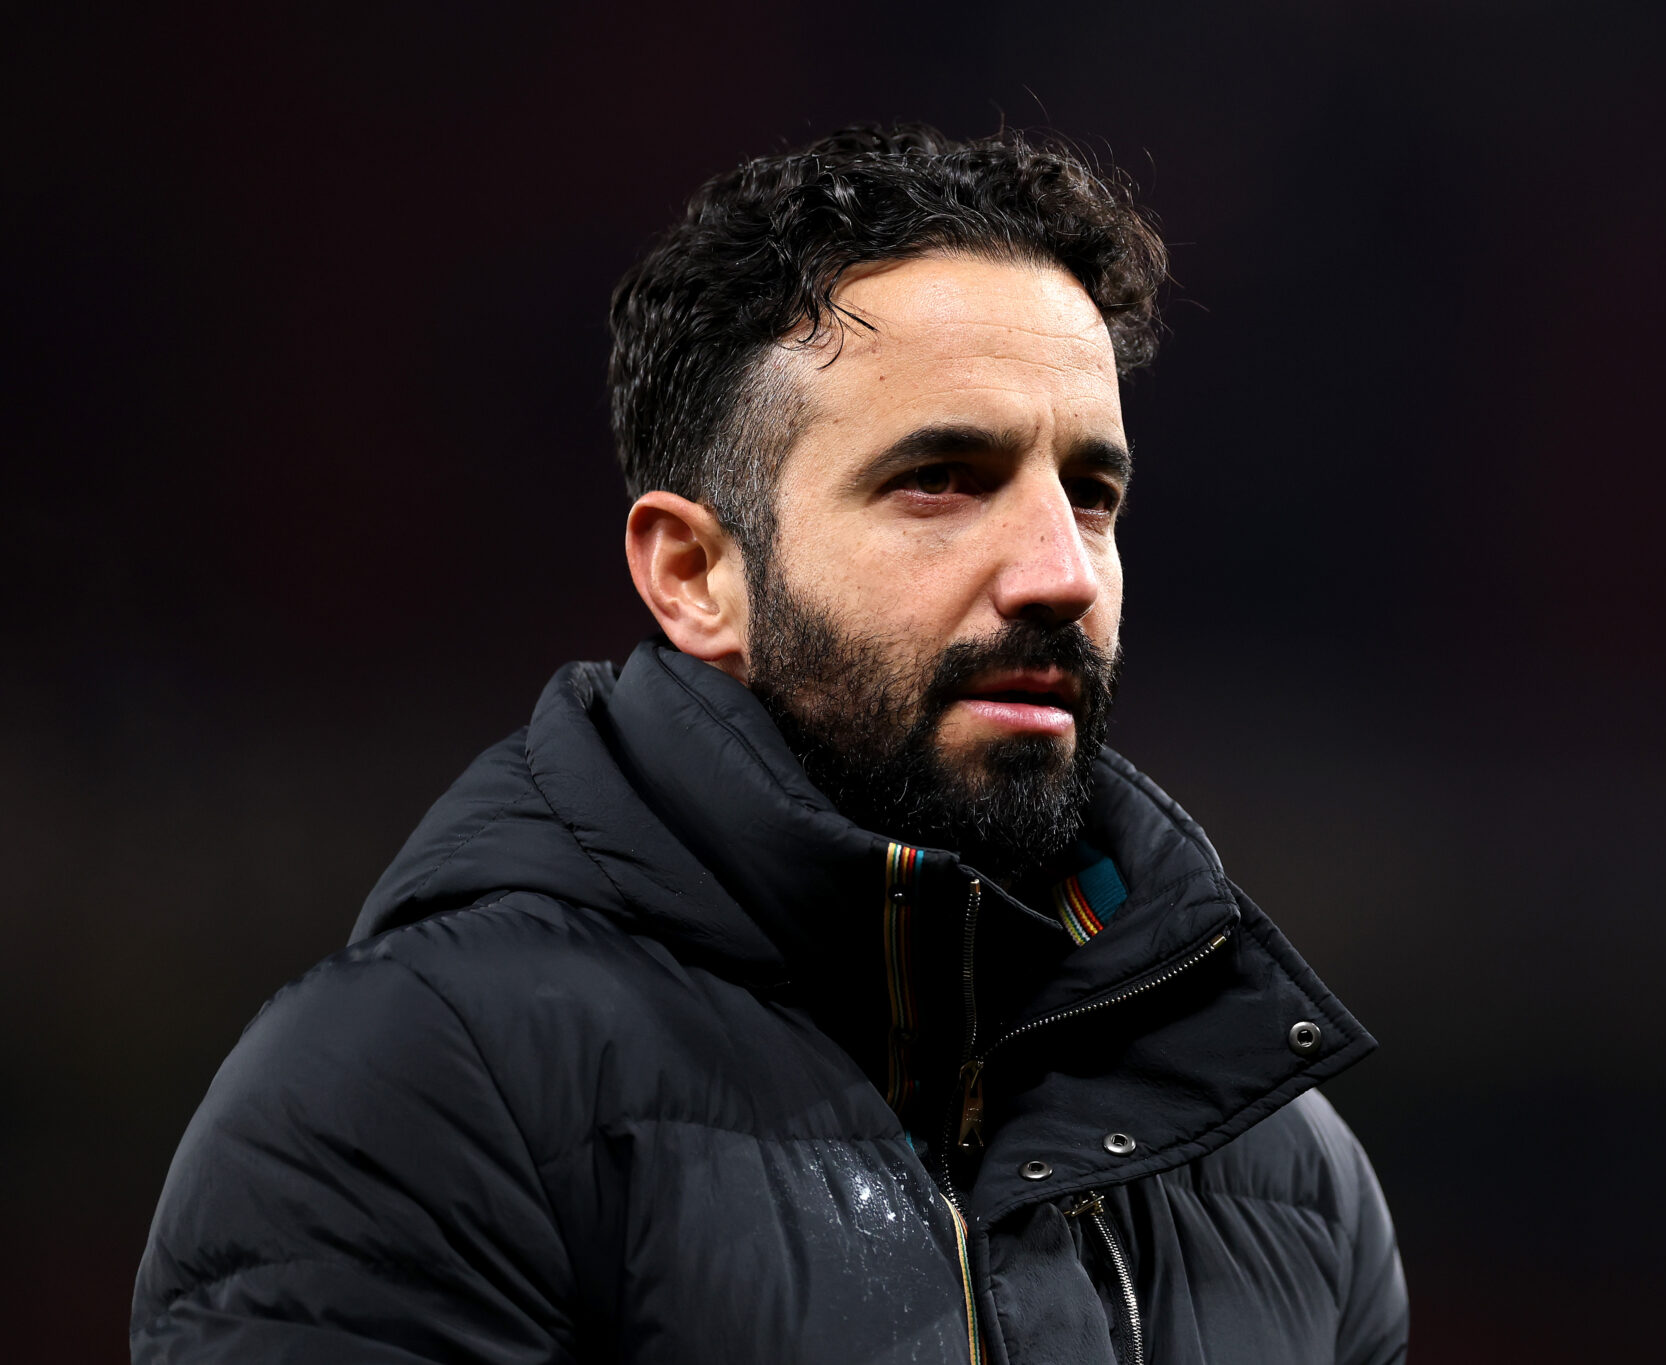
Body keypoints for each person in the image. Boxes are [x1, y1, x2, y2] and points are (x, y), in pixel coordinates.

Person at [131, 124, 1408, 1365]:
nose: (1059, 573)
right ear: (695, 573)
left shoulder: (1286, 1177)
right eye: (942, 480)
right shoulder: (418, 1093)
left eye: (1089, 491)